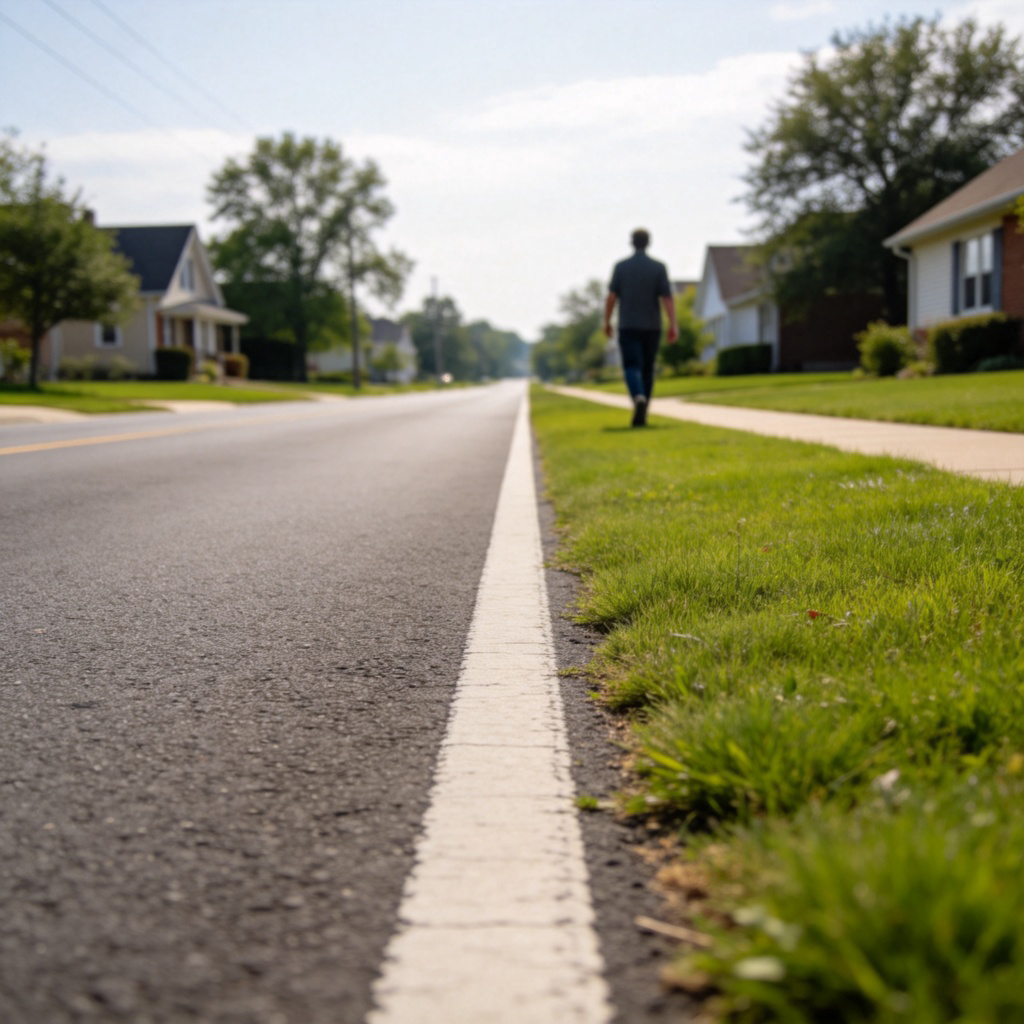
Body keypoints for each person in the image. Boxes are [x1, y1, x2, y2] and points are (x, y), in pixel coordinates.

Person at [603, 228, 678, 427]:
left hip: (628, 325)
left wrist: (607, 321)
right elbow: (667, 298)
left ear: (631, 242)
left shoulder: (621, 267)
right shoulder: (658, 267)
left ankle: (638, 397)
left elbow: (611, 297)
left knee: (631, 366)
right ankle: (643, 410)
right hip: (652, 326)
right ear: (648, 242)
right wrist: (673, 324)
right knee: (647, 369)